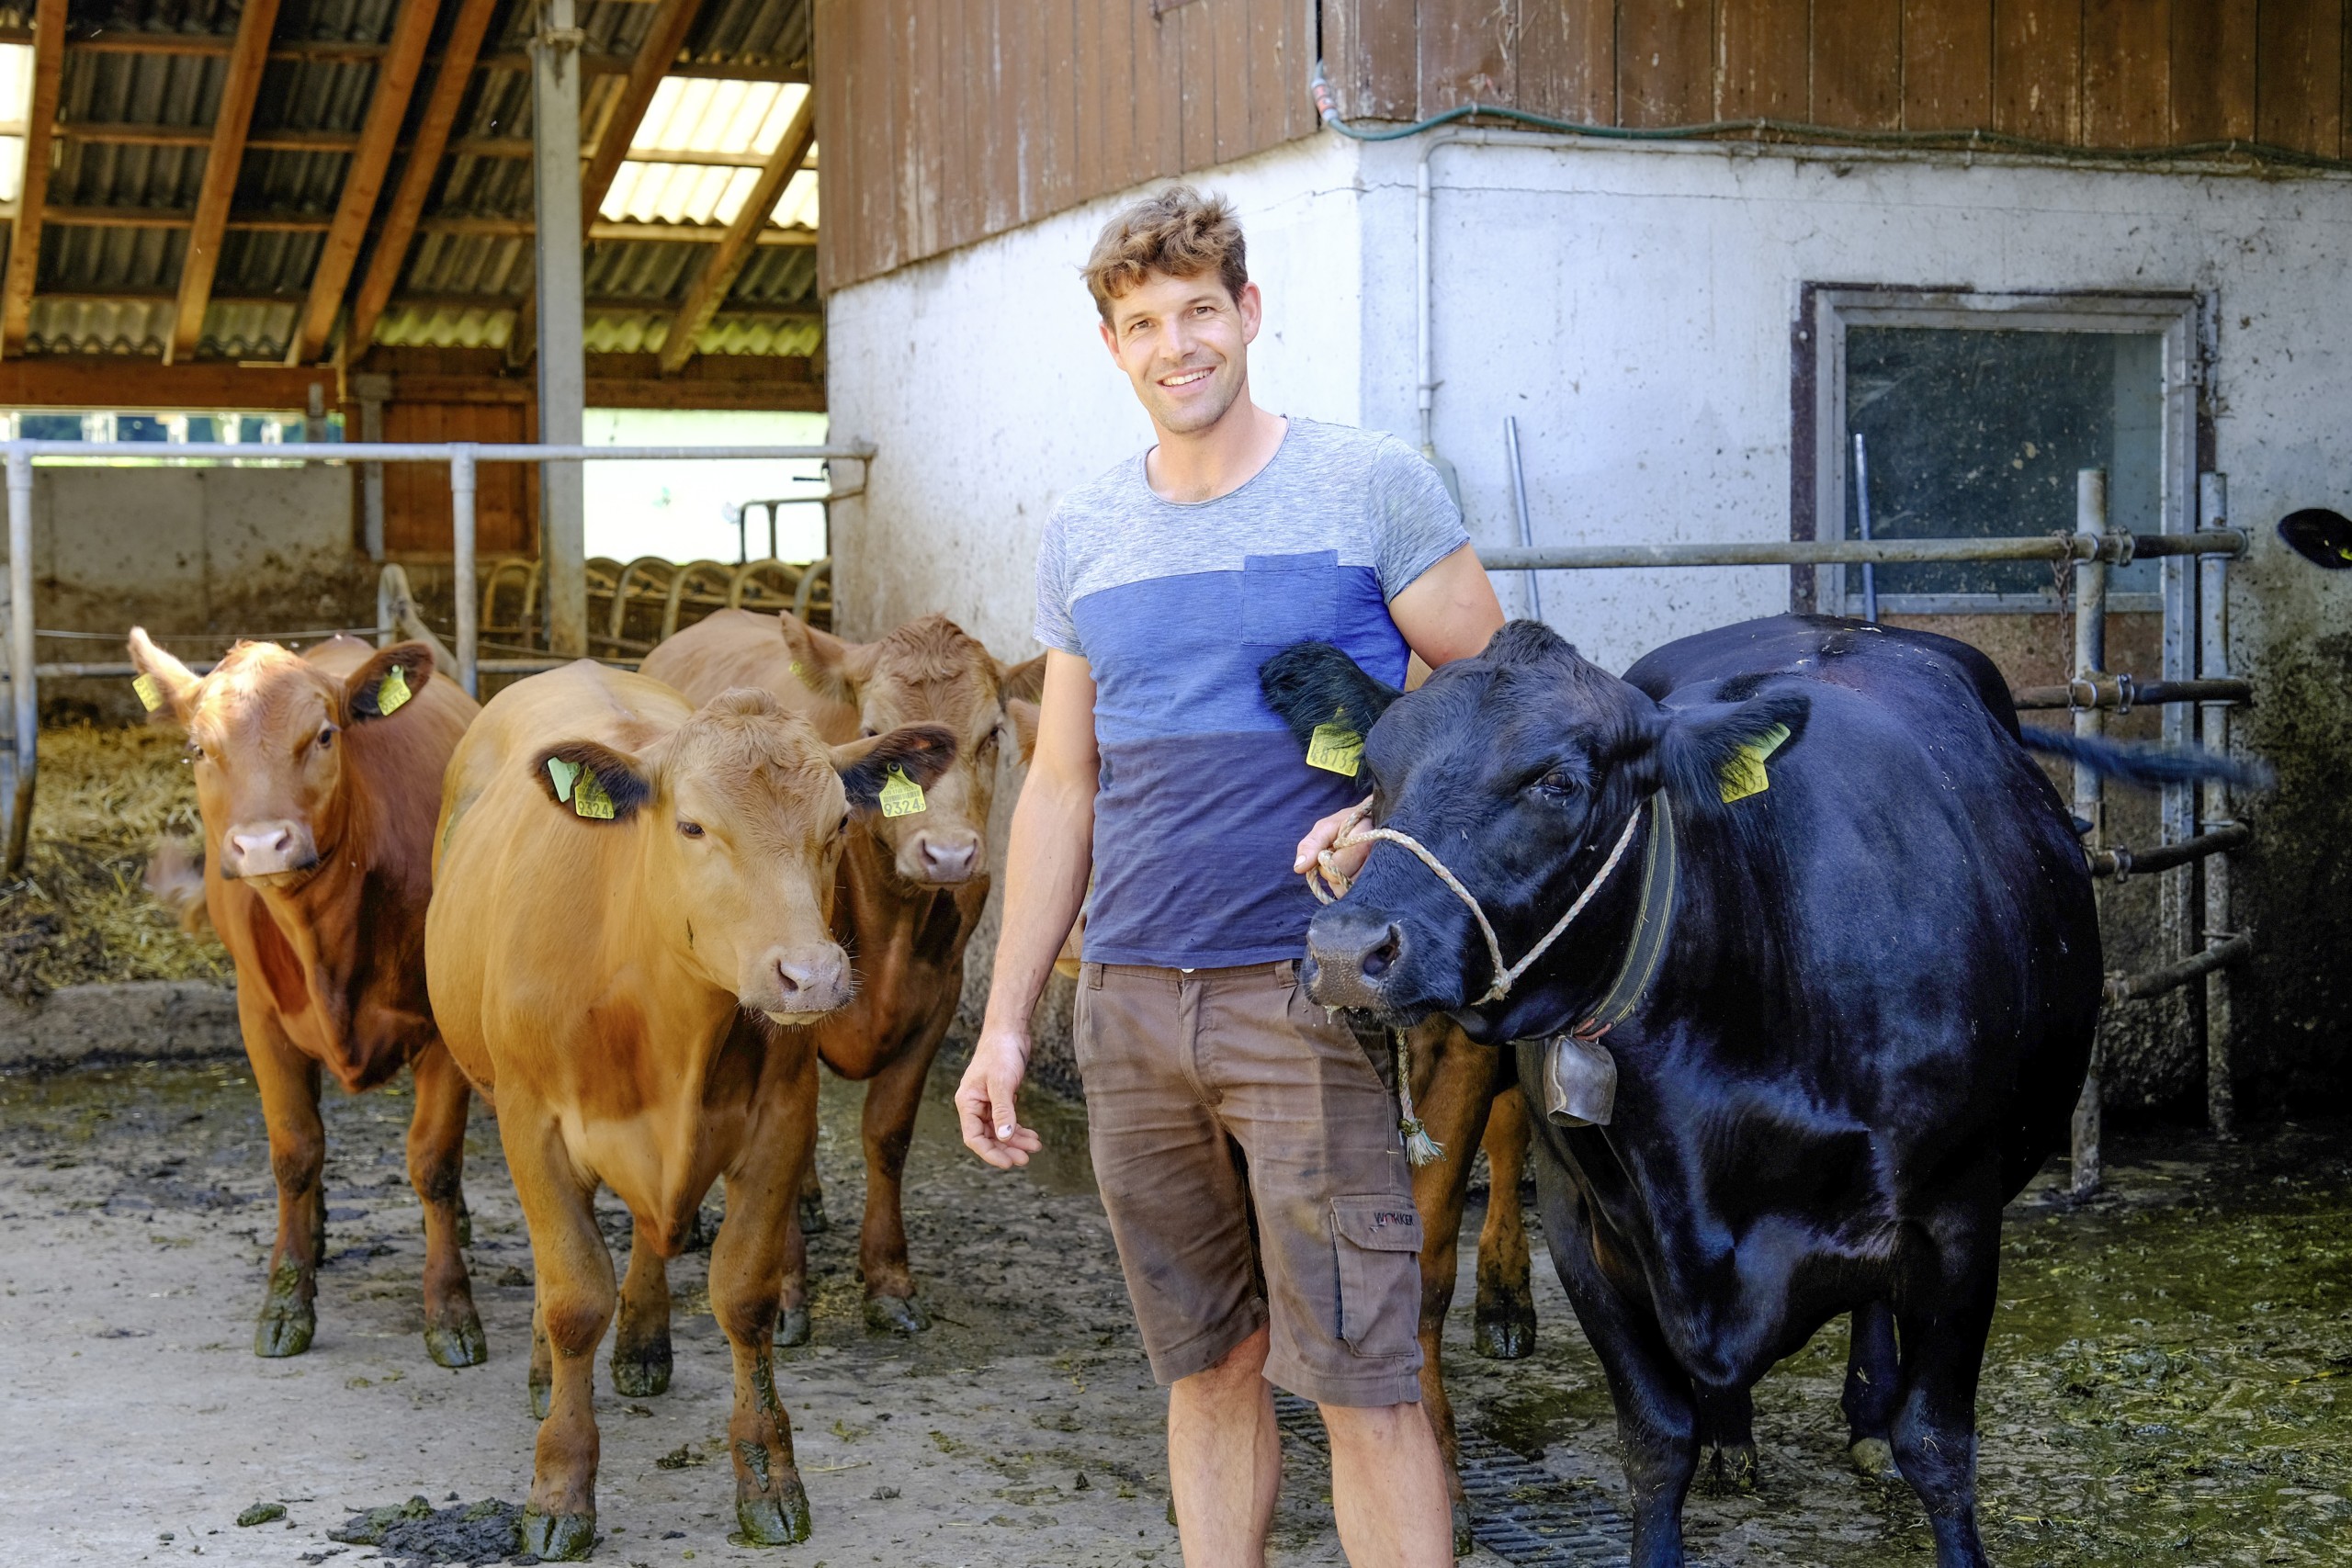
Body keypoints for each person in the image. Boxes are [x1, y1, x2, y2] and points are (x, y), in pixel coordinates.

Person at [955, 186, 1504, 1568]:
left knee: (1364, 1383)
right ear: (1113, 347)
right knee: (1206, 1366)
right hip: (1130, 1005)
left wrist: (1377, 815)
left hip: (1306, 998)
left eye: (1200, 311)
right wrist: (1007, 1021)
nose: (1177, 345)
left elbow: (1497, 705)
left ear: (1249, 314)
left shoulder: (1370, 488)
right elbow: (1063, 786)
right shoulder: (1086, 532)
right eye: (1143, 324)